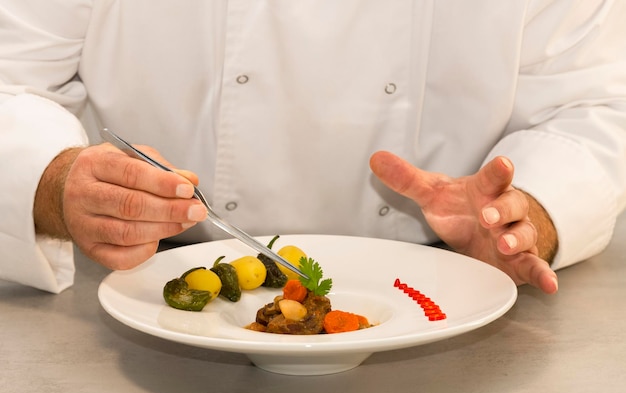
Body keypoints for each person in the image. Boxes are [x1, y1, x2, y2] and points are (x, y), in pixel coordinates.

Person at [1, 1, 625, 295]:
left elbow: (597, 104)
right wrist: (58, 184)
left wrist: (524, 215)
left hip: (447, 301)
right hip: (148, 298)